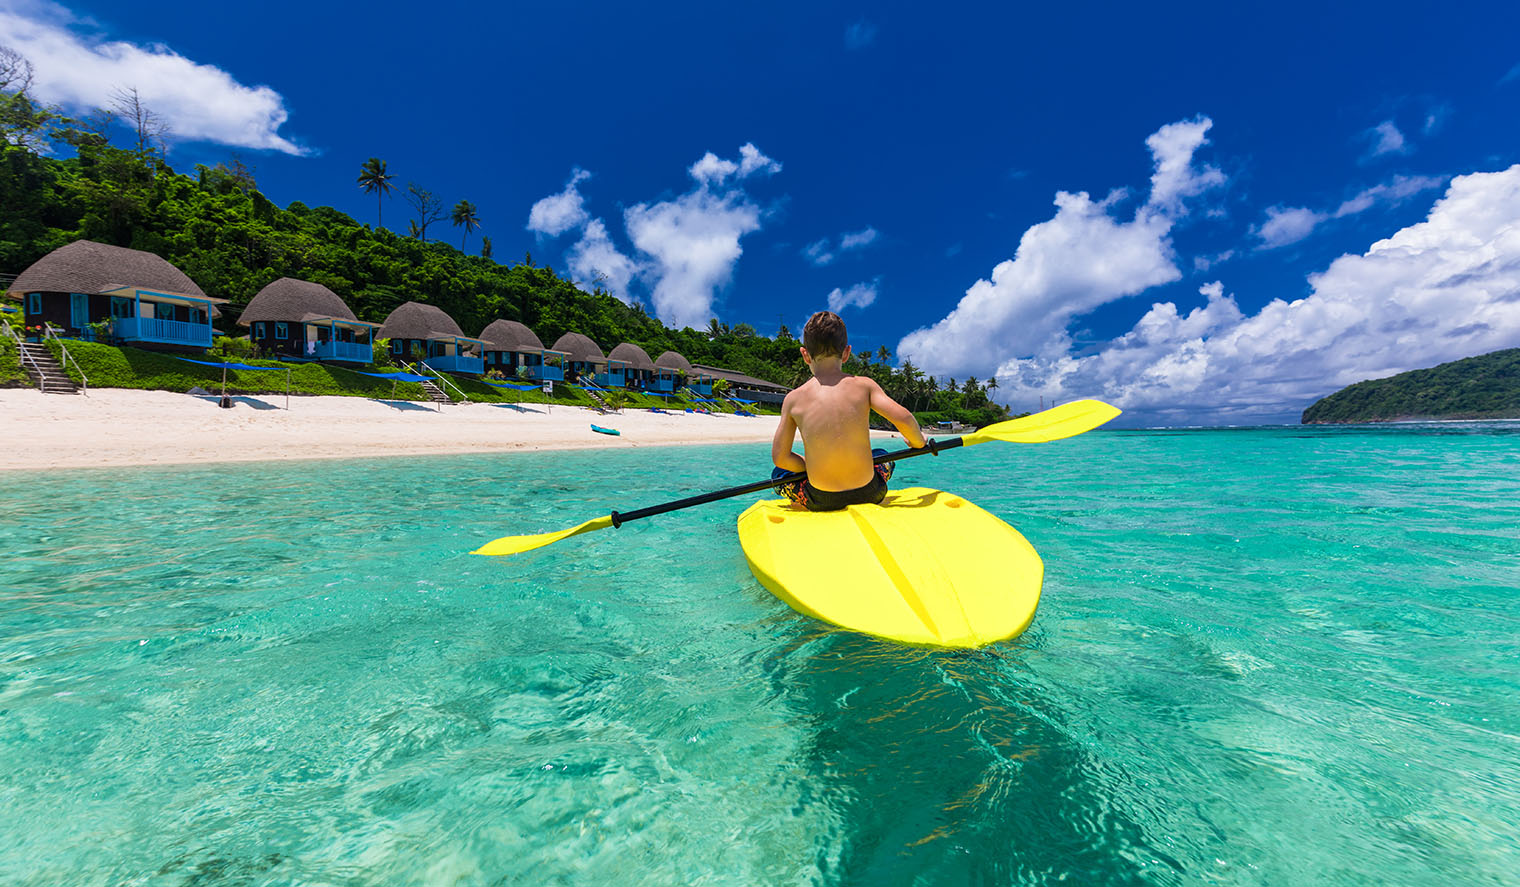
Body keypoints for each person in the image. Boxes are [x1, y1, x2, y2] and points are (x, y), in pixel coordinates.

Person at [771, 310, 927, 511]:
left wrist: (811, 466)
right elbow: (904, 418)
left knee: (779, 474)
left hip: (820, 499)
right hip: (870, 492)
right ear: (846, 352)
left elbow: (781, 457)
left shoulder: (793, 399)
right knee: (881, 455)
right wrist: (918, 442)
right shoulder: (865, 386)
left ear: (805, 354)